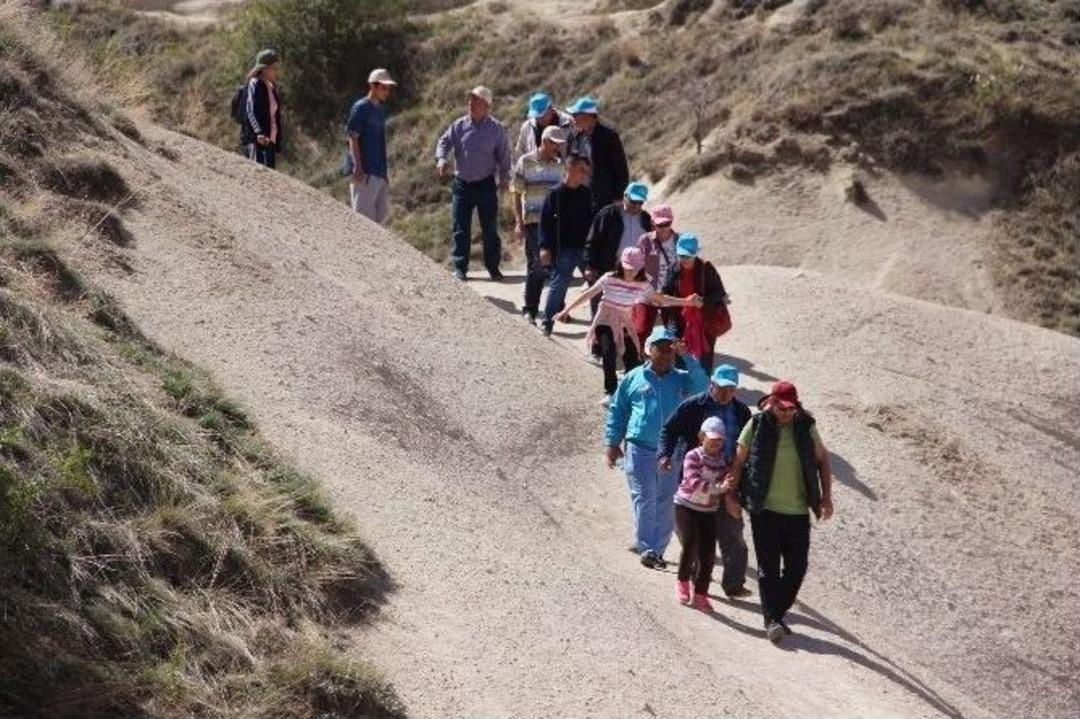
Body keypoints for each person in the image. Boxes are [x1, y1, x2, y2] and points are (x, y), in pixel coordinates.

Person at [721, 381, 835, 643]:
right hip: (765, 509)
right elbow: (738, 461)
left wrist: (826, 497)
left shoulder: (806, 425)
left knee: (797, 568)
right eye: (781, 408)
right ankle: (772, 620)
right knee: (768, 569)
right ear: (771, 402)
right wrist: (731, 496)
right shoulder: (757, 424)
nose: (786, 413)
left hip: (797, 511)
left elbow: (822, 460)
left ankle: (776, 612)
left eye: (791, 408)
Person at [605, 326, 708, 569]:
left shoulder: (683, 378)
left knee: (664, 500)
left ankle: (657, 549)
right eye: (659, 348)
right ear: (647, 350)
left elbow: (704, 386)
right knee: (643, 496)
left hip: (671, 450)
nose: (664, 353)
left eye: (668, 349)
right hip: (639, 446)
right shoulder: (633, 378)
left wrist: (688, 357)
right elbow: (617, 410)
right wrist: (612, 442)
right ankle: (647, 547)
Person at [554, 247, 701, 403]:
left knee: (633, 358)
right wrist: (566, 310)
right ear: (621, 264)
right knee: (608, 351)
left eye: (635, 269)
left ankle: (634, 391)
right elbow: (588, 294)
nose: (630, 273)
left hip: (625, 321)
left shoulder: (643, 284)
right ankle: (610, 391)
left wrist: (686, 301)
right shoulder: (608, 278)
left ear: (640, 268)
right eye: (627, 269)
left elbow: (660, 299)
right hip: (605, 319)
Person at [659, 364, 753, 598]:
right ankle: (695, 577)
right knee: (695, 536)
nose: (725, 393)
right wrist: (664, 454)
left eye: (730, 389)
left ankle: (733, 584)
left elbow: (748, 446)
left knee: (732, 532)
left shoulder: (742, 413)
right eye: (721, 387)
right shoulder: (694, 406)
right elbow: (669, 429)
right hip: (695, 481)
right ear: (712, 383)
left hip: (728, 478)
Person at [436, 86, 512, 282]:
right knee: (460, 228)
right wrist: (441, 159)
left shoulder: (496, 129)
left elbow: (504, 156)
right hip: (462, 185)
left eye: (475, 100)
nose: (470, 103)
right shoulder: (459, 125)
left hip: (486, 185)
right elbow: (444, 142)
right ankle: (460, 268)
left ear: (486, 105)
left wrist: (504, 178)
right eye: (470, 99)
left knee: (490, 229)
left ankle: (493, 268)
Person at [674, 416, 732, 613]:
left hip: (708, 510)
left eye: (720, 440)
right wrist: (719, 488)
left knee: (708, 555)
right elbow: (693, 481)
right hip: (686, 506)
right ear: (702, 437)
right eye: (712, 438)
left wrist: (729, 483)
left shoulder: (723, 461)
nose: (716, 443)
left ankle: (701, 594)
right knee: (690, 544)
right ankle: (682, 581)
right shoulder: (693, 456)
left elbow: (728, 477)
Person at [511, 125, 566, 325]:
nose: (558, 148)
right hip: (534, 222)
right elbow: (516, 193)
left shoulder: (560, 165)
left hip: (556, 223)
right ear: (545, 141)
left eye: (560, 145)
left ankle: (557, 308)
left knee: (557, 266)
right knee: (537, 266)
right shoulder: (525, 161)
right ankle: (530, 309)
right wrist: (519, 222)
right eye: (556, 144)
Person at [538, 154, 593, 337]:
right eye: (582, 170)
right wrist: (544, 247)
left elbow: (592, 223)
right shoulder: (554, 195)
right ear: (570, 169)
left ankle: (598, 327)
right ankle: (547, 322)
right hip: (564, 250)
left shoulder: (586, 194)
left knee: (595, 284)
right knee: (559, 284)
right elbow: (544, 223)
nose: (585, 174)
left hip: (584, 249)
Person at [661, 234, 731, 374]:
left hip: (705, 324)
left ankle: (703, 389)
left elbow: (719, 293)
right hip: (680, 323)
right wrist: (669, 325)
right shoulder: (672, 269)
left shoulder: (706, 268)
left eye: (688, 256)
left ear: (695, 254)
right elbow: (665, 296)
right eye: (681, 256)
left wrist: (703, 302)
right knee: (681, 361)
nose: (685, 260)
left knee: (704, 361)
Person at [344, 68, 397, 225]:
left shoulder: (380, 111)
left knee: (379, 222)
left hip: (379, 173)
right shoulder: (361, 107)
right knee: (364, 224)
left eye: (388, 88)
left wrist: (384, 174)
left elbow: (380, 142)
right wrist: (358, 167)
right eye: (383, 88)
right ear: (372, 86)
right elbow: (352, 137)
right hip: (365, 172)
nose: (387, 92)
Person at [565, 96, 629, 212]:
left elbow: (621, 169)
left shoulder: (609, 136)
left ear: (588, 116)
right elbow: (568, 165)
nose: (572, 118)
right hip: (579, 198)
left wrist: (619, 196)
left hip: (604, 198)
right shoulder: (574, 138)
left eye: (575, 115)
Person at [632, 204, 679, 347]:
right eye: (660, 224)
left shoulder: (680, 240)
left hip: (670, 296)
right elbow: (635, 266)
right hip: (647, 294)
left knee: (673, 336)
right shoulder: (645, 240)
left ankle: (671, 366)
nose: (664, 228)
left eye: (667, 223)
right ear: (653, 222)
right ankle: (635, 364)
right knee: (640, 330)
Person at [242, 49, 283, 169]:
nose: (276, 71)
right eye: (274, 68)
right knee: (257, 177)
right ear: (264, 68)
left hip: (270, 142)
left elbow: (275, 117)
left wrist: (277, 140)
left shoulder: (271, 87)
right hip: (258, 141)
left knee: (269, 181)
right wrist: (258, 132)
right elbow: (250, 111)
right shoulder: (254, 83)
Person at [515, 92, 572, 158]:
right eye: (536, 116)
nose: (540, 119)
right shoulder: (527, 127)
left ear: (550, 108)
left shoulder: (568, 123)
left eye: (542, 115)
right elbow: (519, 153)